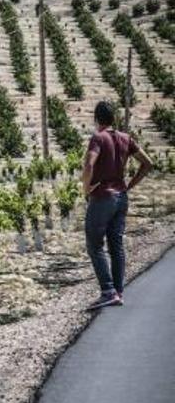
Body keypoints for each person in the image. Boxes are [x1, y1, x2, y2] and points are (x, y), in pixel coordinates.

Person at [81, 101, 153, 310]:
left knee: (94, 245)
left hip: (103, 196)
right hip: (122, 196)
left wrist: (86, 189)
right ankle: (118, 292)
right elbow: (147, 163)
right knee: (116, 245)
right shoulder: (125, 138)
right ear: (115, 119)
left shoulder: (98, 138)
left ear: (96, 119)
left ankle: (108, 291)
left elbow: (88, 165)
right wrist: (130, 185)